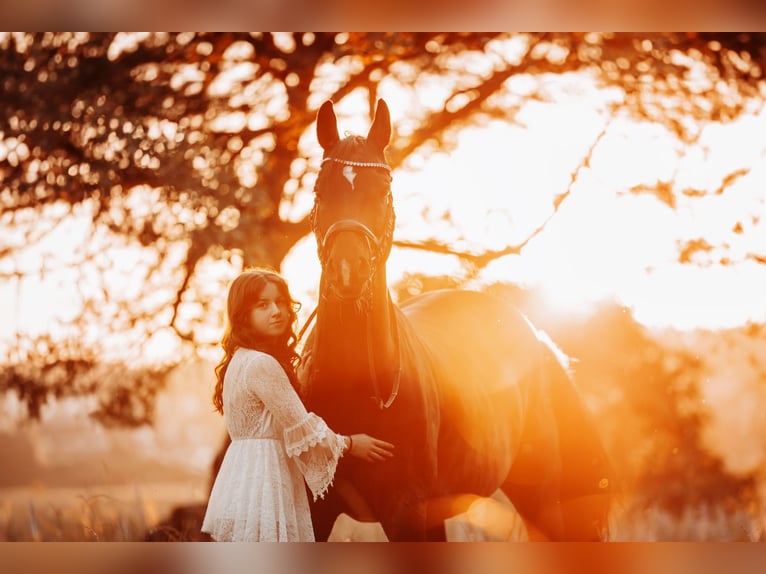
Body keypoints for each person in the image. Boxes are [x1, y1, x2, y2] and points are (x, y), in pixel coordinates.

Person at [201, 268, 395, 542]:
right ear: (244, 315)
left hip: (243, 478)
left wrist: (297, 387)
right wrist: (352, 443)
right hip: (266, 478)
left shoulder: (240, 359)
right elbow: (304, 431)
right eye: (263, 305)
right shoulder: (262, 364)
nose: (276, 311)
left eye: (280, 302)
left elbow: (271, 418)